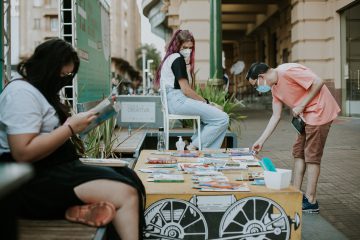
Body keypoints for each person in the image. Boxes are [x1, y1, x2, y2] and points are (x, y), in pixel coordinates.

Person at [0, 39, 145, 240]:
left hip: (55, 169)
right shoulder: (21, 94)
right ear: (47, 68)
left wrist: (83, 123)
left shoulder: (40, 91)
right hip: (33, 180)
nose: (65, 80)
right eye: (62, 75)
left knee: (129, 177)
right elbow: (23, 152)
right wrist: (69, 128)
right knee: (126, 193)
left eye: (69, 75)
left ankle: (78, 208)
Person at [246, 62, 340, 214]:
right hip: (304, 117)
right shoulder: (274, 88)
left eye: (255, 84)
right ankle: (296, 193)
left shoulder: (287, 71)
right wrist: (260, 141)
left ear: (261, 77)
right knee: (298, 152)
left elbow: (318, 81)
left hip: (319, 110)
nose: (257, 89)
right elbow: (275, 116)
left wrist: (302, 105)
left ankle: (311, 201)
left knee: (312, 156)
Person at [155, 30, 229, 149]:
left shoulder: (170, 59)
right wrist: (208, 102)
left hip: (174, 102)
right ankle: (193, 146)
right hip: (179, 101)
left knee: (211, 118)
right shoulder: (177, 59)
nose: (188, 50)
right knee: (222, 118)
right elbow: (186, 90)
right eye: (185, 47)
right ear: (177, 45)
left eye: (190, 48)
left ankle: (193, 144)